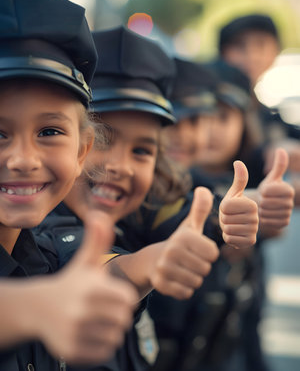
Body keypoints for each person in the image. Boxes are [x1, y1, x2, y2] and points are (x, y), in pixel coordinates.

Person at [37, 26, 261, 370]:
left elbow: (182, 212)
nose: (120, 166)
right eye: (102, 140)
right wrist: (150, 263)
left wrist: (227, 221)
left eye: (142, 150)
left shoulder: (144, 207)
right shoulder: (35, 226)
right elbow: (93, 261)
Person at [0, 0, 138, 370]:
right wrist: (33, 308)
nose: (23, 159)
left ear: (82, 153)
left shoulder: (43, 256)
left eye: (49, 132)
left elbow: (123, 269)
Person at [159, 57, 294, 371]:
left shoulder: (254, 164)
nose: (186, 133)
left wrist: (262, 210)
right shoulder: (166, 186)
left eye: (199, 119)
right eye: (173, 120)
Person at [218, 13, 300, 203]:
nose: (251, 55)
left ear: (275, 51)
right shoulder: (212, 100)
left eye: (261, 45)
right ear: (223, 52)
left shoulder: (266, 112)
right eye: (240, 46)